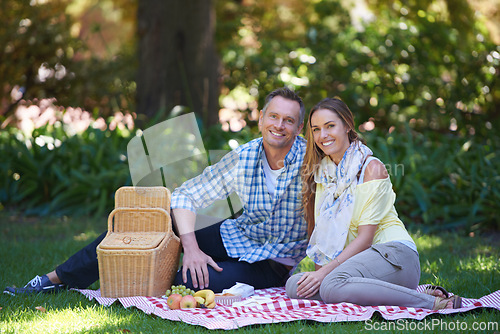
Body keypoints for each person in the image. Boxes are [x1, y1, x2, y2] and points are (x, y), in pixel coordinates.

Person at [4, 87, 309, 295]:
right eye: (274, 117)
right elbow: (187, 195)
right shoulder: (246, 155)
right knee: (147, 221)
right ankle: (54, 280)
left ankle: (175, 269)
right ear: (262, 120)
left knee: (184, 280)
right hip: (240, 237)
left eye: (289, 120)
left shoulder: (312, 162)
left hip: (272, 264)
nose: (279, 125)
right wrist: (190, 247)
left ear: (298, 127)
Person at [285, 97, 462, 310]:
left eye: (330, 126)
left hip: (395, 256)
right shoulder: (323, 173)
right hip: (358, 266)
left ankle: (432, 302)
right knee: (295, 285)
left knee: (331, 285)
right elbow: (324, 235)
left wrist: (323, 275)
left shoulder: (371, 168)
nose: (323, 135)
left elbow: (365, 239)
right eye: (316, 129)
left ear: (347, 126)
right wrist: (317, 276)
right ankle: (398, 293)